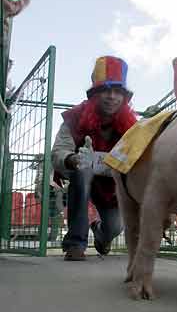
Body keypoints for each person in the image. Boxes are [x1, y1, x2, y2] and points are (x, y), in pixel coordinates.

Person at [51, 56, 137, 261]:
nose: (111, 97)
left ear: (124, 98)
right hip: (83, 177)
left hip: (111, 186)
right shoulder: (75, 117)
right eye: (106, 90)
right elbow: (58, 152)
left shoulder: (133, 127)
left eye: (118, 92)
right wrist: (73, 159)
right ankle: (76, 243)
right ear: (95, 94)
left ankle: (100, 233)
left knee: (115, 228)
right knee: (82, 170)